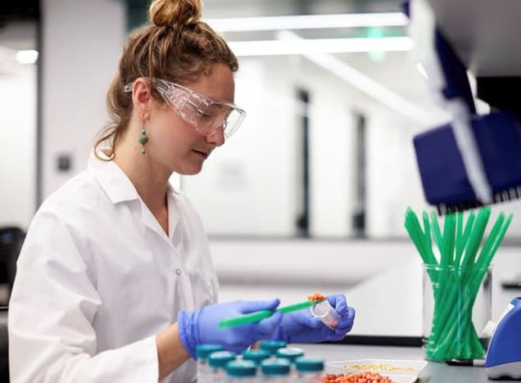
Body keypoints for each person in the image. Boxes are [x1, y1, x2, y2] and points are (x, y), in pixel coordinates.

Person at [8, 0, 355, 381]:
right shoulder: (67, 224)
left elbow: (200, 355)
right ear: (144, 98)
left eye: (224, 118)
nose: (218, 137)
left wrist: (266, 331)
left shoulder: (185, 215)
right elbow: (43, 376)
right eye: (205, 112)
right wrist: (182, 340)